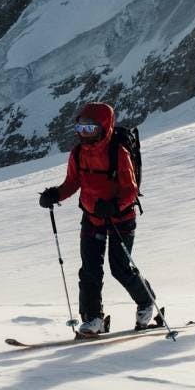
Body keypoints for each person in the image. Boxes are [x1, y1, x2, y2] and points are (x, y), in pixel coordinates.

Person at [38, 102, 157, 334]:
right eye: (80, 129)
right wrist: (55, 194)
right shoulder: (78, 153)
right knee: (90, 269)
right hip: (92, 217)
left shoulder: (118, 152)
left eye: (90, 129)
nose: (84, 134)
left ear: (104, 128)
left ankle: (146, 301)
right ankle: (93, 318)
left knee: (120, 268)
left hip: (120, 219)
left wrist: (113, 206)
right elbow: (73, 182)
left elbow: (130, 189)